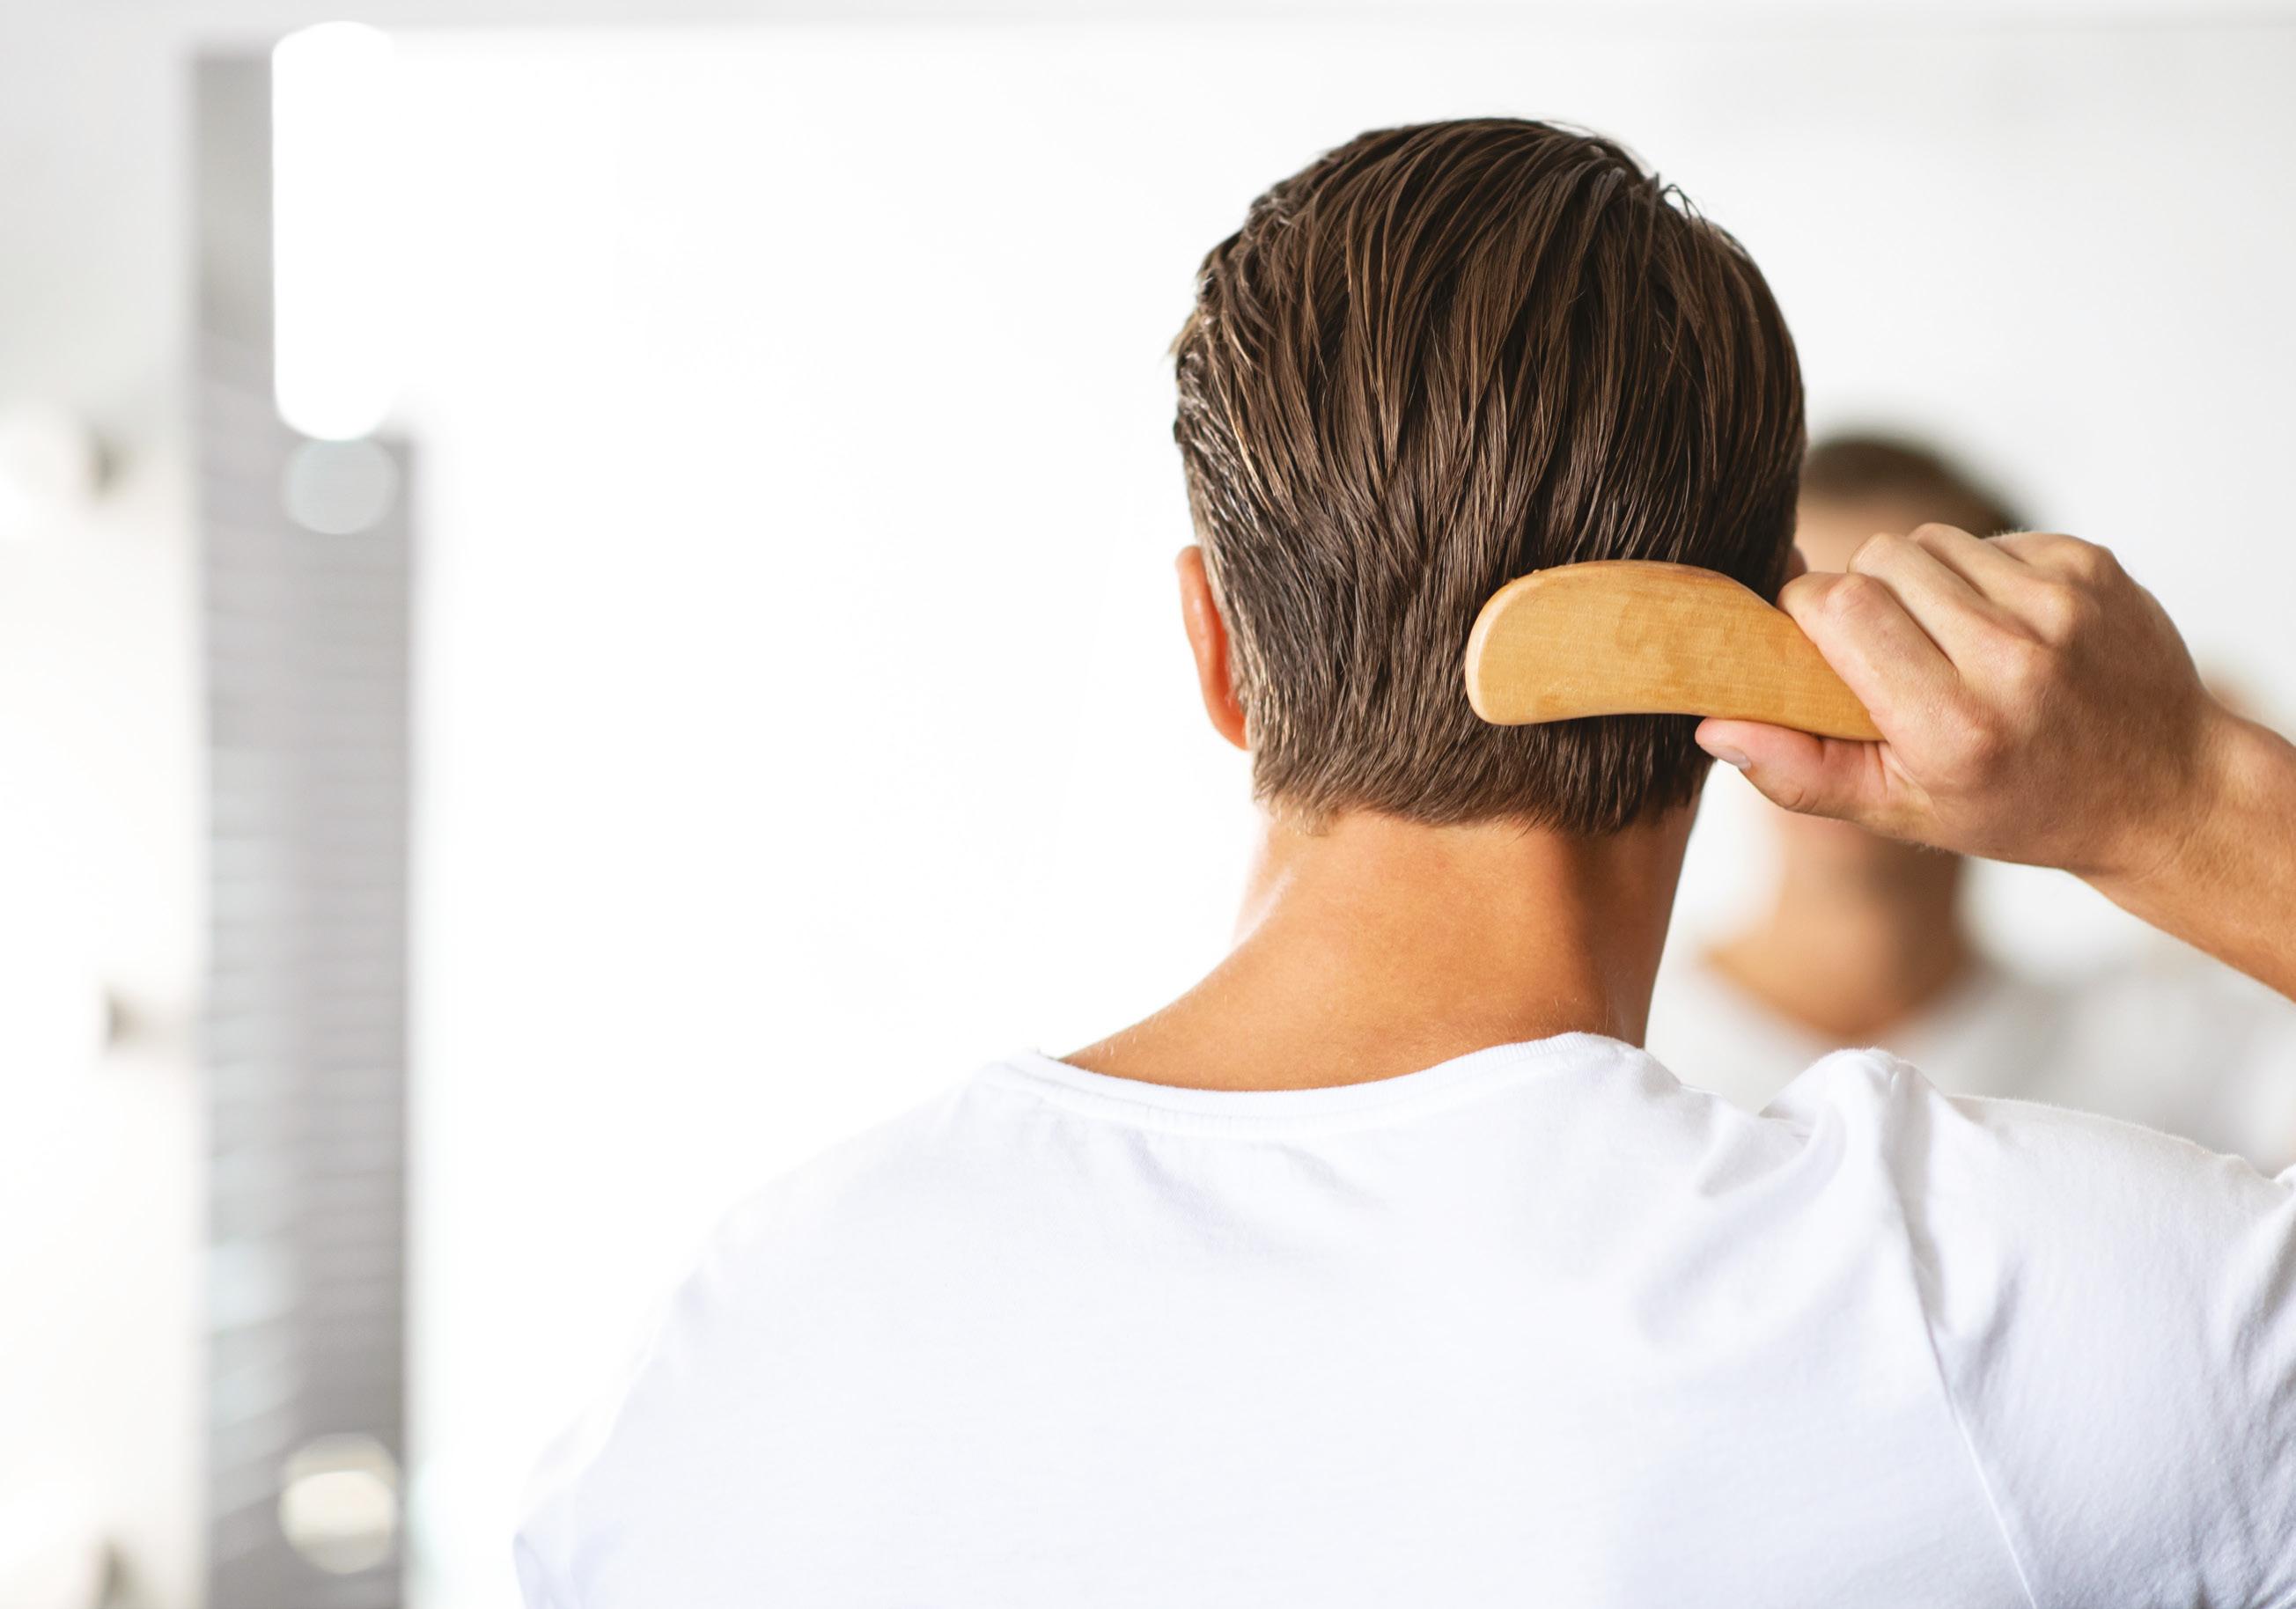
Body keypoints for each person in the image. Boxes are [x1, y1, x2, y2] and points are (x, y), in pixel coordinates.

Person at [513, 119, 2296, 1606]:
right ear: (1754, 654)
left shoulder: (754, 1334)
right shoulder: (1995, 1309)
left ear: (1215, 646)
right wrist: (2177, 800)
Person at [1647, 436, 2296, 1165]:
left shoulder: (2182, 1053)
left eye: (1912, 646)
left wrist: (2204, 795)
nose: (1836, 709)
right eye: (1793, 651)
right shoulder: (1621, 1055)